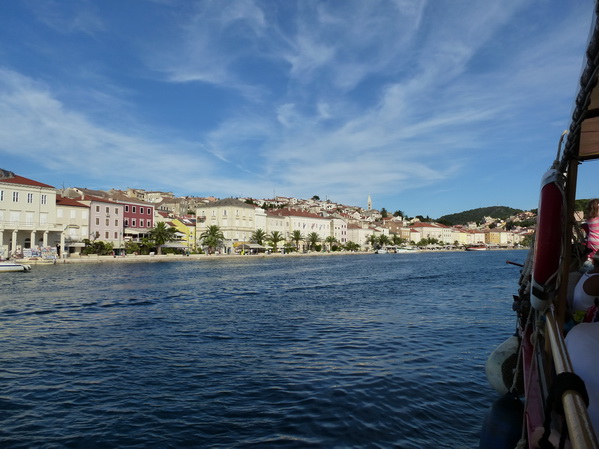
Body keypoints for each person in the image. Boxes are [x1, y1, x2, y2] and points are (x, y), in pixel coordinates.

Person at [572, 252, 599, 320]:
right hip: (586, 320)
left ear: (593, 262)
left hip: (578, 317)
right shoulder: (596, 279)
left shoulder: (587, 274)